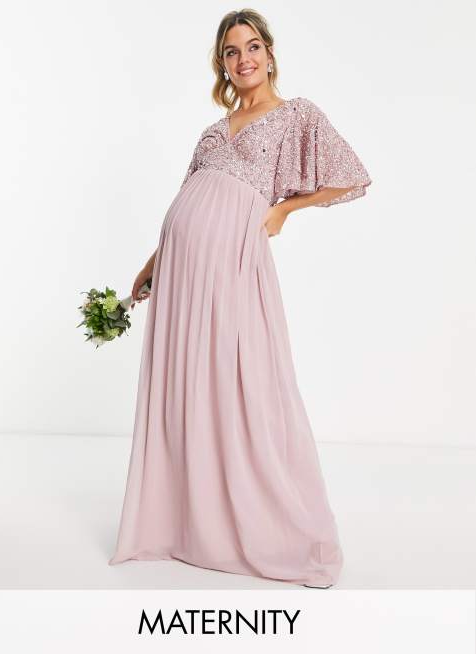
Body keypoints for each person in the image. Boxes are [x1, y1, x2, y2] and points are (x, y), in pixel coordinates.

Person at [108, 9, 372, 588]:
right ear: (222, 63)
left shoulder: (295, 115)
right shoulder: (212, 131)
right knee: (188, 382)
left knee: (240, 378)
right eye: (231, 51)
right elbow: (186, 197)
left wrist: (285, 209)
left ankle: (259, 521)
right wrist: (153, 264)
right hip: (182, 272)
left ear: (269, 53)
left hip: (231, 263)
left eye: (252, 47)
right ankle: (185, 521)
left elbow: (352, 175)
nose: (243, 58)